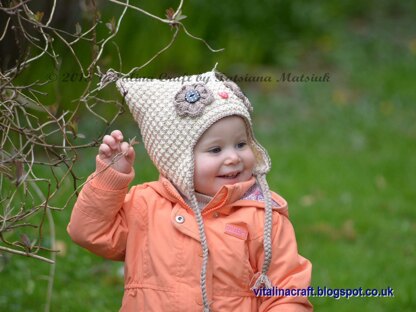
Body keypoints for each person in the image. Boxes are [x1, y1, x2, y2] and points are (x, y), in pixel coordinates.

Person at [67, 69, 313, 311]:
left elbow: (288, 291)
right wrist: (111, 176)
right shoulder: (145, 206)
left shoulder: (262, 218)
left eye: (240, 144)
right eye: (215, 150)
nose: (233, 157)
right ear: (176, 159)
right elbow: (89, 231)